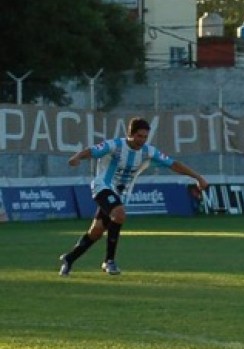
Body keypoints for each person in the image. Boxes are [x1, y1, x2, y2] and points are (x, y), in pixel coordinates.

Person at [58, 117, 209, 276]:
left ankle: (69, 258)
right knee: (119, 213)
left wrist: (198, 177)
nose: (142, 140)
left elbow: (173, 164)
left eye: (145, 137)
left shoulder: (148, 152)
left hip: (121, 194)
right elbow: (92, 150)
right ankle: (109, 261)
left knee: (96, 232)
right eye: (139, 136)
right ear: (130, 134)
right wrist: (77, 157)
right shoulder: (115, 145)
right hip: (103, 186)